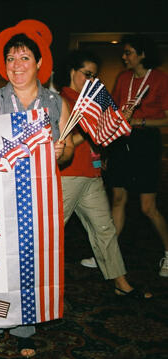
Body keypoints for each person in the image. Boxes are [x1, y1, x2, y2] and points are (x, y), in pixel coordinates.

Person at [0, 19, 74, 358]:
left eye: (24, 58)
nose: (16, 66)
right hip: (0, 197)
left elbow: (69, 148)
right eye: (11, 59)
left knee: (30, 262)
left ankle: (23, 327)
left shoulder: (56, 104)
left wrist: (63, 151)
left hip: (38, 198)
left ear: (39, 63)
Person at [59, 50, 152, 298]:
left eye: (94, 76)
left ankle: (122, 284)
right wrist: (95, 132)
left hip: (90, 173)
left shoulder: (88, 100)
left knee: (105, 229)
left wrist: (118, 121)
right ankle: (23, 282)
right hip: (68, 175)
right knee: (49, 232)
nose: (91, 81)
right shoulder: (61, 101)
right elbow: (62, 144)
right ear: (71, 71)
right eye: (86, 74)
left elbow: (102, 136)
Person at [104, 34, 168, 277]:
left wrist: (140, 120)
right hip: (122, 140)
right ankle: (107, 253)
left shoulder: (161, 79)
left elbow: (167, 117)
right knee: (118, 199)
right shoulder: (123, 78)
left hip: (146, 142)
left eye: (128, 52)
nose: (124, 56)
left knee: (147, 207)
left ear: (142, 54)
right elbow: (113, 110)